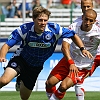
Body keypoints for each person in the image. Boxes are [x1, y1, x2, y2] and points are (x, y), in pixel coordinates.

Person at [0, 6, 92, 100]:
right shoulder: (24, 29)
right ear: (33, 19)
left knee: (24, 97)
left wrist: (82, 48)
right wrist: (2, 56)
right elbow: (6, 45)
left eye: (45, 20)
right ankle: (19, 76)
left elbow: (73, 35)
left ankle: (20, 80)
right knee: (4, 80)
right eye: (40, 20)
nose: (43, 23)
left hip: (35, 66)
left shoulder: (55, 30)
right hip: (21, 59)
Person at [45, 9, 100, 100]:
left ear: (94, 21)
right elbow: (64, 47)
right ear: (82, 18)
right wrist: (71, 62)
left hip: (83, 65)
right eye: (86, 19)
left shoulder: (98, 32)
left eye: (91, 20)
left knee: (63, 86)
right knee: (49, 83)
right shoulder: (74, 27)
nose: (88, 22)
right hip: (69, 60)